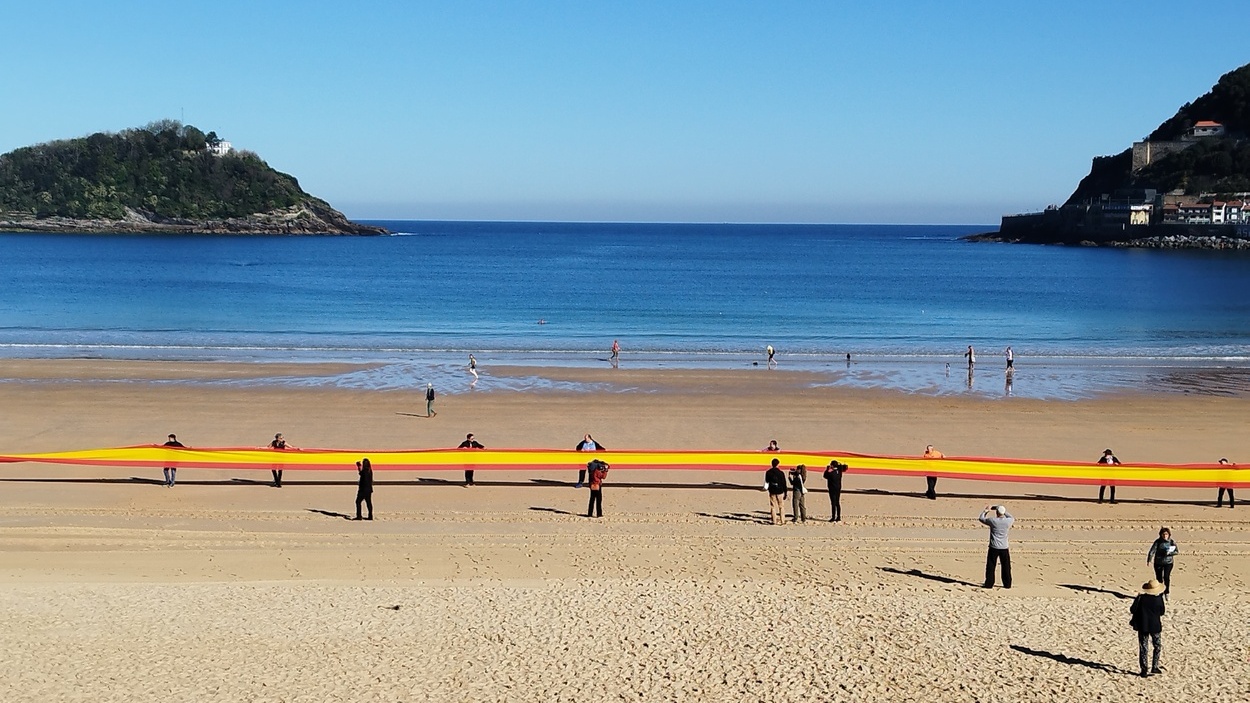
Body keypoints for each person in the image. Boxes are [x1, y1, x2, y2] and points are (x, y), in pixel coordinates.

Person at [1130, 579, 1167, 677]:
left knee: (1143, 647)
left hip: (1143, 625)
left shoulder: (1141, 598)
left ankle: (1144, 669)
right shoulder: (1159, 599)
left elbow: (1132, 609)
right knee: (1157, 646)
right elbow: (1162, 612)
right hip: (1155, 626)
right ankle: (1154, 666)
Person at [978, 505, 1014, 588]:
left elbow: (981, 518)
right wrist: (1004, 511)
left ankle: (989, 584)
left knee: (991, 566)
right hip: (1004, 547)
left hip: (994, 547)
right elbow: (1011, 517)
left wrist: (986, 511)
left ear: (997, 513)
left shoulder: (993, 521)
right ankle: (1007, 584)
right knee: (1006, 566)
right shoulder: (1008, 521)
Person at [1146, 527, 1178, 598]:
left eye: (1166, 534)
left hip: (1168, 562)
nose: (1165, 536)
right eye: (1163, 534)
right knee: (1159, 578)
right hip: (1158, 562)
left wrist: (1169, 553)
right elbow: (1152, 551)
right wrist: (1149, 559)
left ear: (1169, 534)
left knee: (1166, 577)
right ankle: (1160, 592)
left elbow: (1176, 551)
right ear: (1160, 534)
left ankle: (1167, 592)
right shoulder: (1158, 542)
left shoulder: (1171, 542)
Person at [764, 458, 788, 525]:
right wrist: (785, 492)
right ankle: (782, 520)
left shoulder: (768, 472)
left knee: (773, 506)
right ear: (778, 464)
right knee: (781, 506)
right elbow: (784, 483)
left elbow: (767, 481)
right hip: (780, 491)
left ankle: (774, 520)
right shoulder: (780, 473)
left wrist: (768, 489)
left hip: (772, 491)